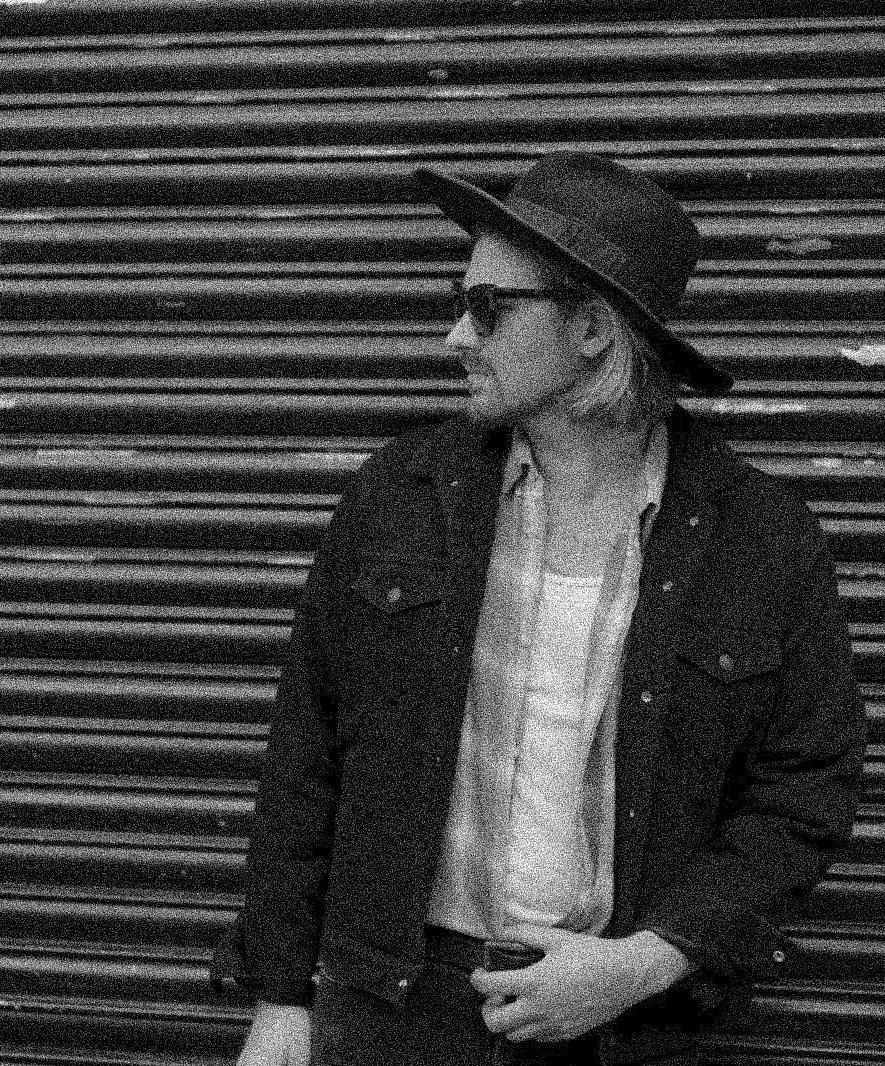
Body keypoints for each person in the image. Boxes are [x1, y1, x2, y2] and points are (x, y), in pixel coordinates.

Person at [210, 152, 865, 1066]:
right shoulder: (400, 497)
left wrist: (644, 963)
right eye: (459, 300)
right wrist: (281, 998)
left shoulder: (758, 537)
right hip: (390, 1008)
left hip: (623, 1023)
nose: (455, 335)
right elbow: (305, 756)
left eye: (488, 307)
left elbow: (806, 791)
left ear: (591, 328)